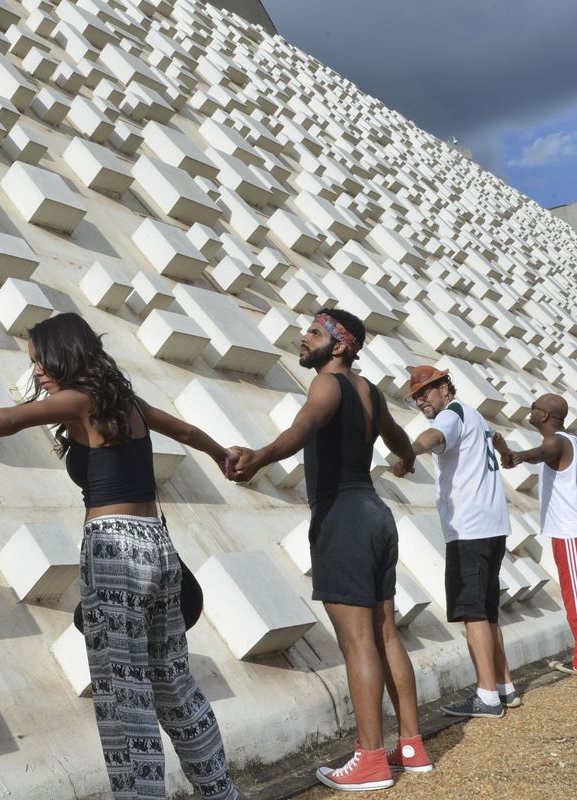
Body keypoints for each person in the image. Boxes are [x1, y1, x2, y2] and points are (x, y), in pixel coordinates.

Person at [0, 312, 240, 800]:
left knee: (122, 693)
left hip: (112, 550)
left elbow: (5, 420)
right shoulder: (126, 401)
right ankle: (221, 792)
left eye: (41, 361)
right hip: (158, 546)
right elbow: (189, 433)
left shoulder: (78, 401)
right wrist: (224, 455)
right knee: (175, 684)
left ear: (66, 353)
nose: (37, 373)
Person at [228, 309, 428, 791]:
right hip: (375, 514)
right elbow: (399, 440)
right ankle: (411, 746)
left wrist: (258, 457)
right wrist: (406, 458)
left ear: (340, 345)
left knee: (357, 640)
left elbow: (302, 429)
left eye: (314, 333)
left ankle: (371, 760)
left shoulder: (327, 384)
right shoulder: (369, 391)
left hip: (342, 516)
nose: (303, 338)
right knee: (385, 632)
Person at [391, 365, 520, 720]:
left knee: (473, 614)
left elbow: (433, 437)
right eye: (416, 396)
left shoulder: (451, 414)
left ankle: (487, 696)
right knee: (488, 613)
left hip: (469, 528)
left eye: (426, 392)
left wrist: (407, 453)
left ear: (446, 387)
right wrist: (507, 456)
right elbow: (496, 437)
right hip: (493, 525)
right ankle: (505, 686)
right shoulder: (474, 414)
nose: (421, 400)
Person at [502, 394, 577, 676]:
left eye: (534, 408)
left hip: (571, 533)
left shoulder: (556, 441)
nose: (530, 411)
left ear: (544, 415)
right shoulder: (576, 442)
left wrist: (520, 456)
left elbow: (545, 451)